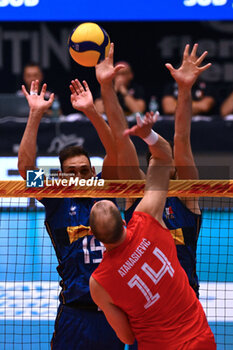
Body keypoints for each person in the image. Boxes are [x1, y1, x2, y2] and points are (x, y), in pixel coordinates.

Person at [89, 116, 216, 349]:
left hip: (161, 327)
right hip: (192, 331)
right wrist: (149, 135)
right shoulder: (147, 218)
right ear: (124, 221)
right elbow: (161, 153)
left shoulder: (99, 281)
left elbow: (127, 338)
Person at [95, 43, 209, 300]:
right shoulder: (137, 194)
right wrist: (106, 87)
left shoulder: (186, 198)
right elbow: (121, 141)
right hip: (144, 306)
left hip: (184, 303)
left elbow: (182, 139)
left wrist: (184, 89)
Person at [17, 79, 125, 350]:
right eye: (72, 172)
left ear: (93, 172)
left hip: (114, 311)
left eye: (85, 170)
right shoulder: (56, 198)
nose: (79, 177)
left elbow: (114, 150)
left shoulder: (106, 188)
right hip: (74, 313)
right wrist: (35, 114)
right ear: (61, 176)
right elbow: (25, 167)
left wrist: (91, 111)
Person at [161, 52, 215, 116]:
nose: (190, 70)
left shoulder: (207, 87)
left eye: (195, 66)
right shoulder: (171, 87)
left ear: (200, 68)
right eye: (188, 67)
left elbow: (205, 107)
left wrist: (178, 104)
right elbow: (169, 108)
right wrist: (195, 106)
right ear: (181, 67)